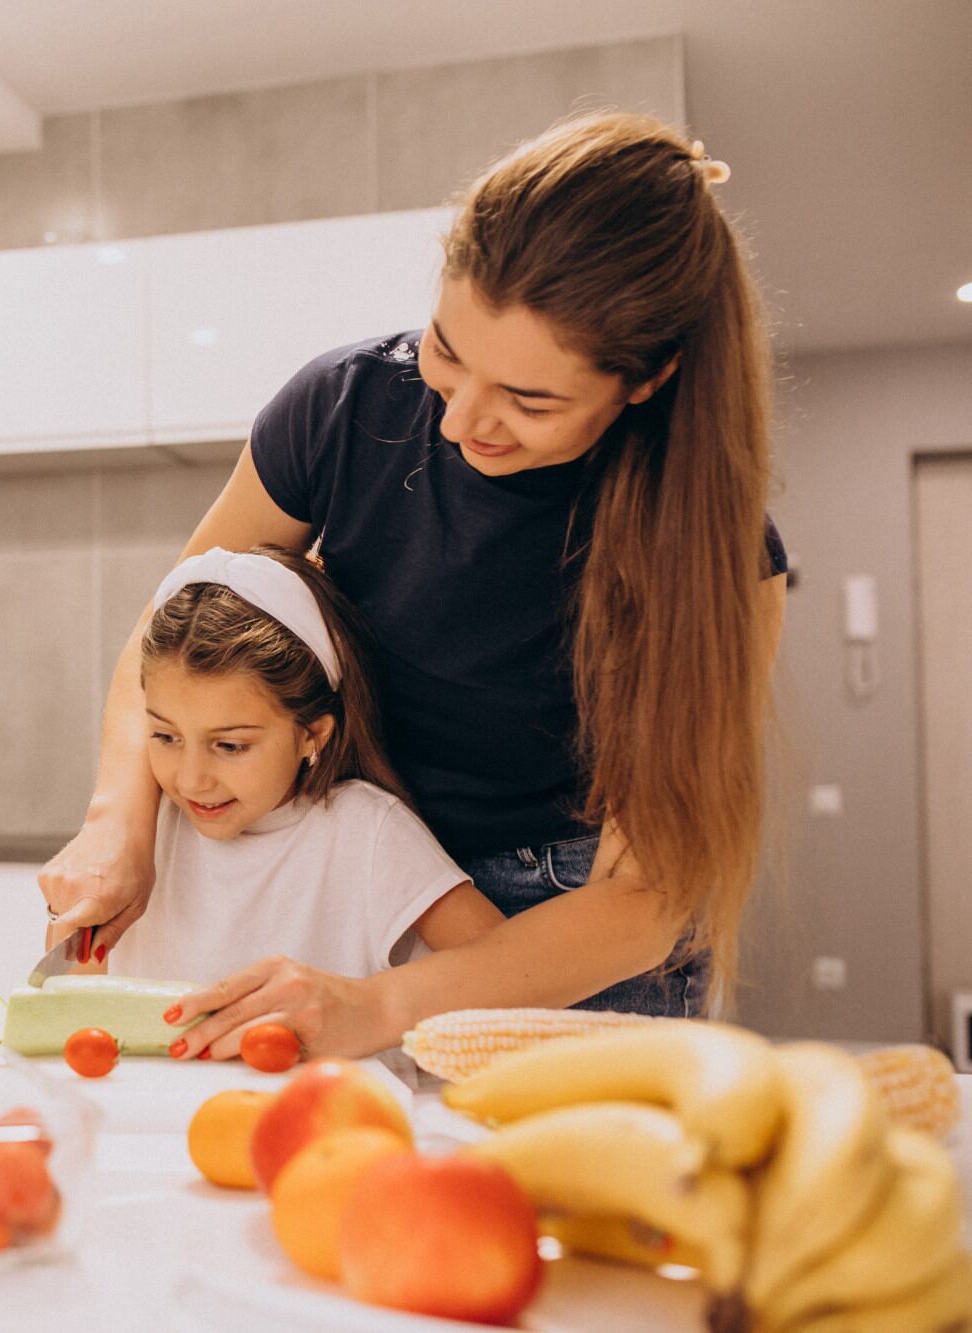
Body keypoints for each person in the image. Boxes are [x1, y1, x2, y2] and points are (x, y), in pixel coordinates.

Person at [39, 110, 788, 1061]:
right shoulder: (342, 405)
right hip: (363, 860)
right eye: (447, 351)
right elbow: (171, 621)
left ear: (645, 382)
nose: (460, 423)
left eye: (531, 399)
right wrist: (119, 821)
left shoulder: (714, 549)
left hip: (568, 921)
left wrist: (385, 1003)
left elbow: (649, 898)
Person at [105, 543, 503, 1012]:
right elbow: (66, 998)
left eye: (231, 746)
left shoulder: (366, 833)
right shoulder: (145, 826)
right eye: (165, 736)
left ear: (311, 734)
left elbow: (513, 974)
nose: (192, 780)